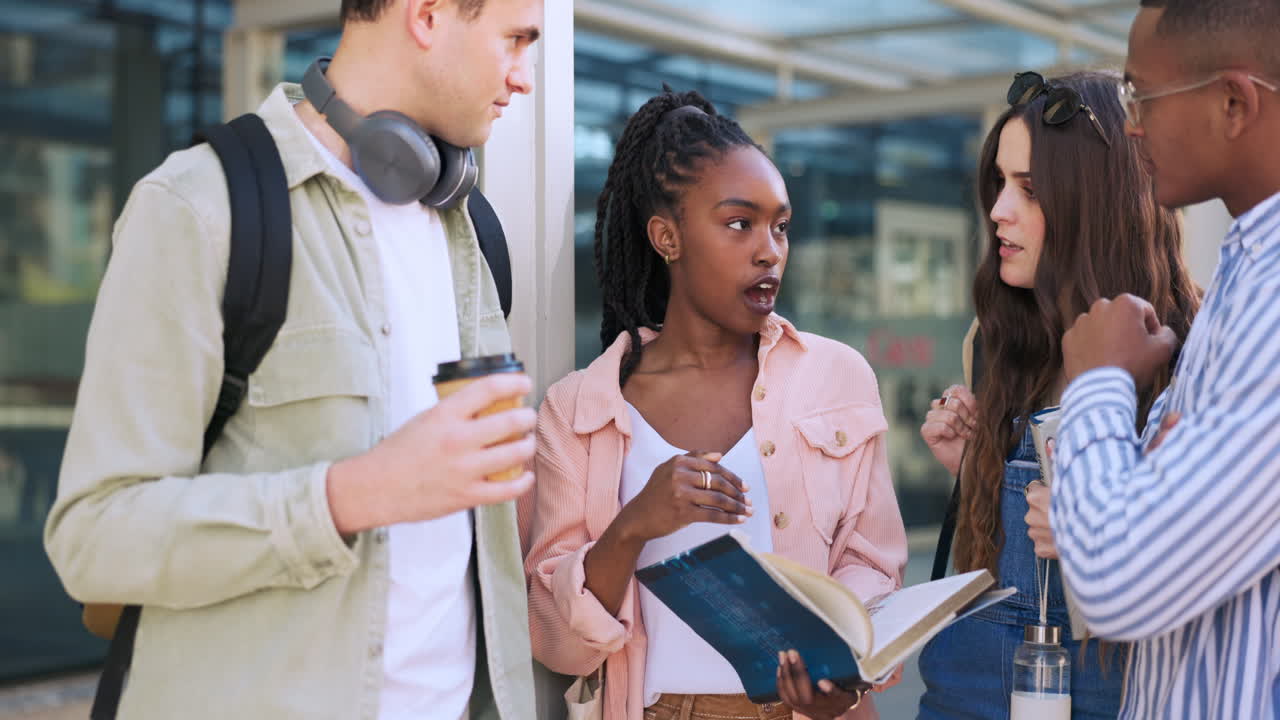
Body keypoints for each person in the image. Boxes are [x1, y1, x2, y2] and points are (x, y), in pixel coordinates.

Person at [43, 1, 543, 718]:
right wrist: (353, 495)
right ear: (428, 15)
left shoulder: (475, 235)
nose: (525, 77)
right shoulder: (198, 207)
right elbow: (94, 538)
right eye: (517, 40)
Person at [520, 88, 908, 720]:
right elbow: (556, 642)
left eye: (780, 226)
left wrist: (846, 664)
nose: (768, 250)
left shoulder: (838, 378)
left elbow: (874, 570)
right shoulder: (578, 411)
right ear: (666, 237)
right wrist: (635, 523)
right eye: (738, 223)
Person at [916, 70, 1199, 720]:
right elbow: (987, 563)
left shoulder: (1196, 351)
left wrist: (1096, 528)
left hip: (1117, 690)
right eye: (998, 184)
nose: (997, 211)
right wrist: (974, 472)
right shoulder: (990, 341)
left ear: (1096, 199)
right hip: (966, 688)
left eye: (1030, 189)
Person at [1047, 2, 1280, 717]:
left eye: (1139, 93)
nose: (1133, 122)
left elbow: (1117, 575)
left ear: (1234, 102)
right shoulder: (1245, 274)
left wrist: (1101, 381)